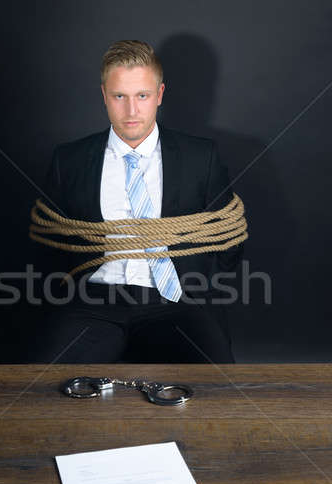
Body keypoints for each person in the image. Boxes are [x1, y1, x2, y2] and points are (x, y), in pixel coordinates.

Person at [31, 40, 245, 364]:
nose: (132, 111)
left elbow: (228, 242)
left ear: (159, 95)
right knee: (43, 387)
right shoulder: (69, 160)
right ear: (104, 96)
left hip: (176, 299)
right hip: (94, 300)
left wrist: (197, 283)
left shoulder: (202, 157)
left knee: (218, 387)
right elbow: (48, 245)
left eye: (142, 96)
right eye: (120, 97)